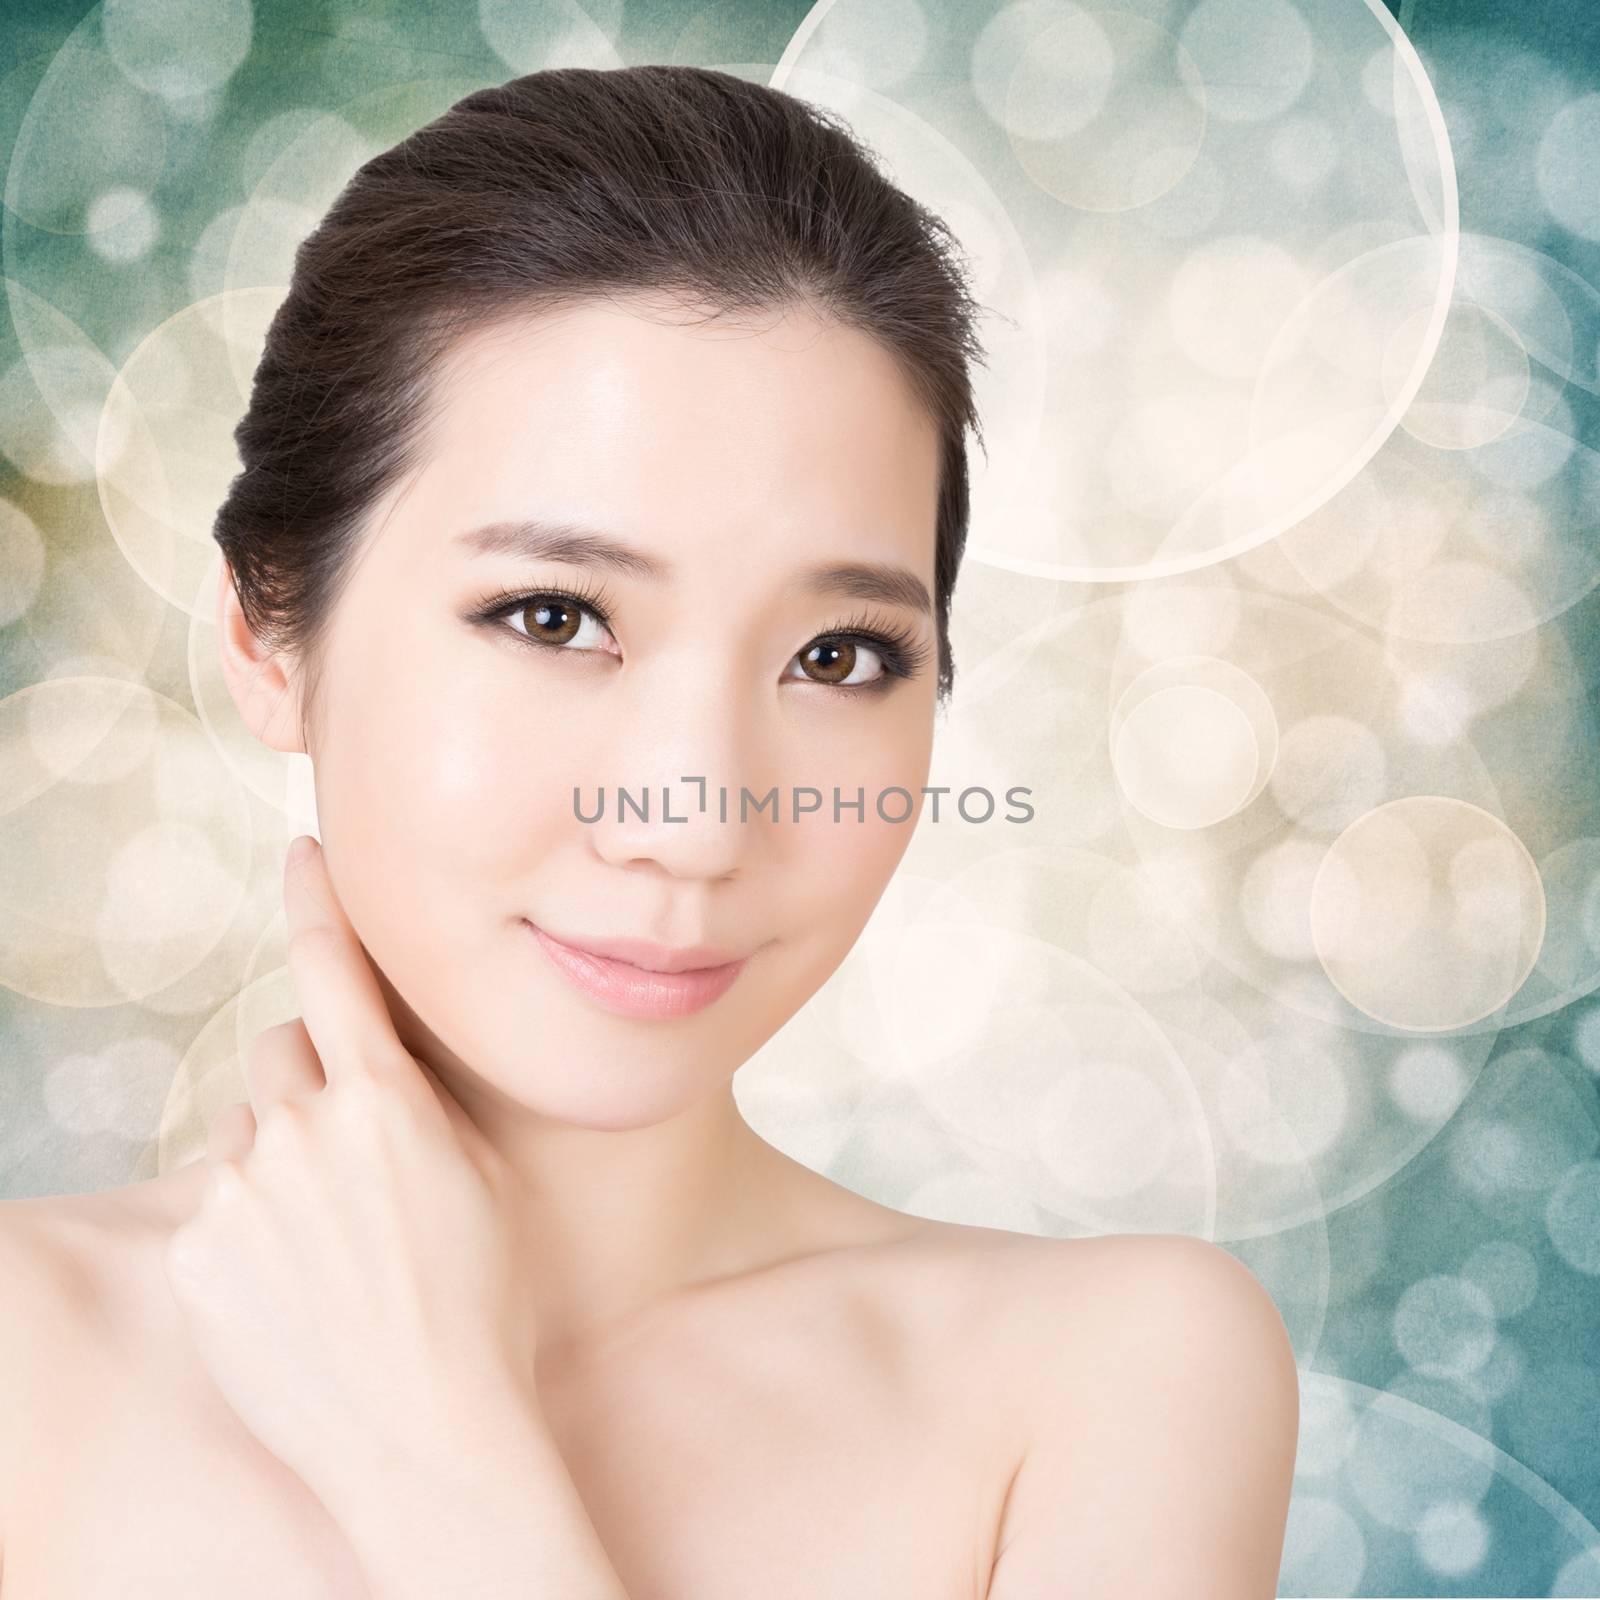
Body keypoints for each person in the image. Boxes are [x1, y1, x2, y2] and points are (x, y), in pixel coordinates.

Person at [0, 65, 1298, 1598]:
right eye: (556, 618)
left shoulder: (1108, 1383)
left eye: (838, 657)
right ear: (268, 636)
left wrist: (434, 1458)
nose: (693, 825)